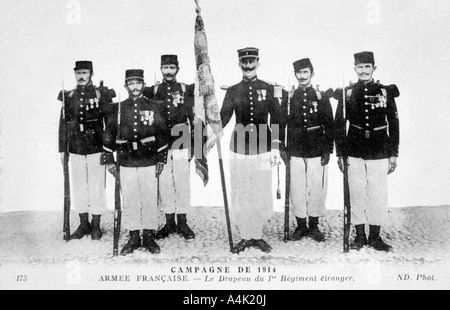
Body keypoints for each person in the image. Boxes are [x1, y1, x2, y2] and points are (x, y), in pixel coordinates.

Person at [335, 51, 400, 252]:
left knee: (378, 194)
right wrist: (340, 153)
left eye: (367, 67)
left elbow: (394, 123)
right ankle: (360, 236)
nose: (363, 71)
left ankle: (375, 236)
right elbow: (339, 124)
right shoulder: (347, 93)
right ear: (354, 69)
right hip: (354, 149)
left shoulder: (385, 91)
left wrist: (393, 153)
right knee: (357, 193)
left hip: (380, 149)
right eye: (360, 67)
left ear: (374, 69)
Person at [220, 47, 283, 254]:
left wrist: (275, 147)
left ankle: (257, 235)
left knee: (261, 192)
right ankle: (245, 235)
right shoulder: (232, 90)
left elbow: (276, 120)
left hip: (264, 147)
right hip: (239, 147)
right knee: (241, 192)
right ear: (239, 64)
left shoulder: (269, 88)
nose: (248, 65)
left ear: (258, 62)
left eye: (251, 61)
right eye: (244, 62)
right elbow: (223, 118)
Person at [103, 69, 169, 255]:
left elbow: (162, 133)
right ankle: (133, 236)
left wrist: (161, 158)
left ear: (143, 84)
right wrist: (109, 158)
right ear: (126, 86)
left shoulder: (154, 106)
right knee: (131, 199)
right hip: (126, 161)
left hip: (148, 159)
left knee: (149, 198)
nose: (135, 87)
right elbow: (109, 134)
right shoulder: (117, 108)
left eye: (138, 83)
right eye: (131, 83)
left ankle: (148, 235)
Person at [58, 60, 115, 241]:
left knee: (97, 187)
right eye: (78, 73)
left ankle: (96, 224)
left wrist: (108, 149)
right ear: (75, 74)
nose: (81, 76)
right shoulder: (69, 95)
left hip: (96, 147)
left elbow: (110, 124)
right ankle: (83, 224)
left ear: (91, 74)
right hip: (75, 148)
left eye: (85, 72)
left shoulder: (101, 94)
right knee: (79, 187)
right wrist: (62, 149)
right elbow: (63, 124)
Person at [280, 58, 334, 242]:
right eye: (299, 73)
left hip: (316, 148)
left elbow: (330, 124)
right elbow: (281, 124)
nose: (302, 76)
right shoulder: (289, 97)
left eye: (305, 72)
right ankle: (301, 225)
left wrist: (328, 149)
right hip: (295, 148)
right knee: (297, 189)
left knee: (316, 188)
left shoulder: (321, 96)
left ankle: (314, 225)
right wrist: (282, 146)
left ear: (312, 73)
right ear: (295, 74)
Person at [143, 55, 196, 240]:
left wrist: (195, 146)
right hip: (161, 141)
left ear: (178, 69)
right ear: (161, 69)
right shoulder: (153, 90)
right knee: (164, 182)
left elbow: (193, 116)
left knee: (182, 181)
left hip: (181, 138)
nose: (169, 71)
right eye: (165, 68)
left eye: (172, 67)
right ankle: (169, 222)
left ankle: (182, 222)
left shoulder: (185, 89)